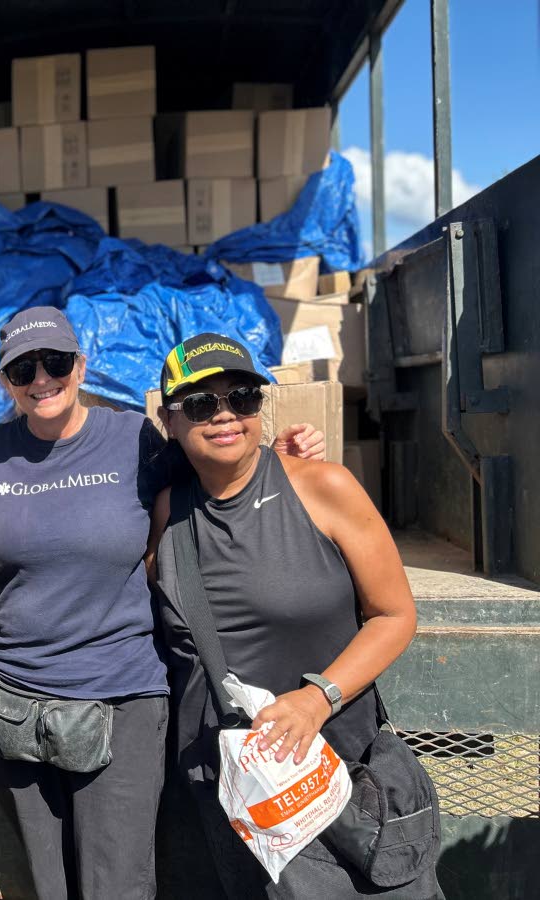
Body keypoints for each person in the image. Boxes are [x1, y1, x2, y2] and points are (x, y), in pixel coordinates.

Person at [0, 307, 325, 900]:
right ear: (5, 380)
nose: (41, 379)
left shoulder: (133, 437)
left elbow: (220, 462)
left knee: (117, 884)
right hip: (16, 694)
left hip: (120, 691)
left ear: (80, 366)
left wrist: (286, 459)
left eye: (55, 362)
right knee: (44, 885)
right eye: (22, 369)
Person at [147, 332, 440, 898]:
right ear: (171, 420)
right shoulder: (166, 511)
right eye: (202, 405)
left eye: (244, 398)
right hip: (239, 800)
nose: (226, 415)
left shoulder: (323, 487)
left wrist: (317, 697)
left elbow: (394, 614)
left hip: (345, 783)